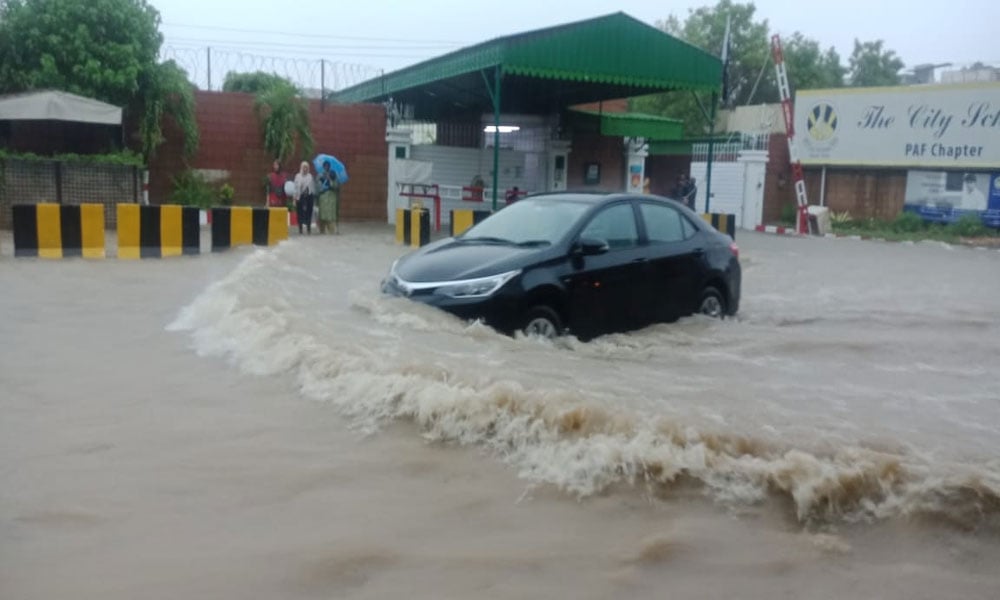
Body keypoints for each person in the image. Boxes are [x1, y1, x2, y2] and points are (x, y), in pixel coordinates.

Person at [316, 161, 340, 234]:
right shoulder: (320, 175)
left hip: (331, 197)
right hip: (323, 197)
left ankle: (332, 230)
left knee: (331, 214)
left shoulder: (334, 174)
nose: (326, 167)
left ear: (329, 166)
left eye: (328, 165)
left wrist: (330, 180)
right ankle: (322, 229)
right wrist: (321, 181)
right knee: (322, 214)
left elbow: (336, 186)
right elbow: (317, 186)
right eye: (325, 165)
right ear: (323, 166)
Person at [293, 161, 316, 235]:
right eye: (304, 167)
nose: (305, 168)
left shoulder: (310, 176)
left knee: (309, 212)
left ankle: (308, 228)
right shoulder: (298, 176)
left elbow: (312, 187)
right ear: (301, 167)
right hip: (300, 196)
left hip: (309, 196)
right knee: (299, 213)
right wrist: (294, 198)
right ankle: (300, 229)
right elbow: (295, 188)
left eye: (306, 167)